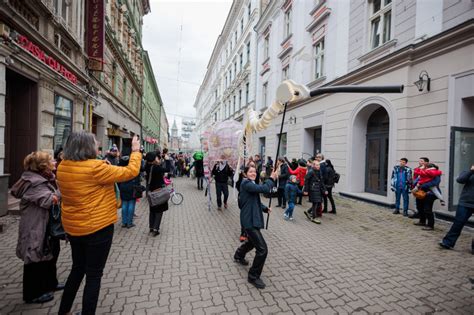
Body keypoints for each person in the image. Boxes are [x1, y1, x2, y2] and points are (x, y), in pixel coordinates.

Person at [56, 132, 141, 315]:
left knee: (77, 270)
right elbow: (130, 172)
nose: (98, 146)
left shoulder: (63, 166)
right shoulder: (96, 168)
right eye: (95, 143)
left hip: (74, 228)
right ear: (86, 146)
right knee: (94, 275)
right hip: (97, 228)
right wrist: (135, 151)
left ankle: (63, 311)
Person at [11, 152, 62, 304]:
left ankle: (50, 284)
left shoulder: (44, 178)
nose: (54, 161)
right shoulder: (35, 182)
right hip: (35, 226)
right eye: (51, 160)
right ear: (43, 166)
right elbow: (48, 200)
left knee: (50, 252)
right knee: (33, 257)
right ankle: (32, 294)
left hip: (44, 224)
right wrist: (63, 190)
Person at [234, 165, 277, 289]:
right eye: (250, 171)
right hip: (249, 221)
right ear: (245, 174)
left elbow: (254, 200)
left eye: (254, 171)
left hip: (253, 219)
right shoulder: (246, 183)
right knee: (262, 249)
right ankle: (253, 276)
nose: (253, 173)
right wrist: (272, 178)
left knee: (252, 243)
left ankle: (238, 255)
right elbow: (264, 189)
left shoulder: (250, 183)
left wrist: (264, 208)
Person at [439, 165, 474, 253]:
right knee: (458, 223)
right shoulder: (468, 172)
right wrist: (471, 171)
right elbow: (460, 180)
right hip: (465, 203)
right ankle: (448, 242)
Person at [145, 151, 171, 236]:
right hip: (159, 192)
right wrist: (167, 160)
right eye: (156, 157)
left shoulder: (147, 166)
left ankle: (151, 227)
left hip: (151, 192)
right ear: (153, 159)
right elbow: (168, 169)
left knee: (152, 210)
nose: (158, 158)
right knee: (159, 211)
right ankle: (156, 230)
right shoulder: (156, 167)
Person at [118, 156, 141, 228]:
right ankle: (129, 223)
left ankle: (124, 222)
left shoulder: (119, 169)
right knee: (131, 205)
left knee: (124, 205)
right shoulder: (132, 169)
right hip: (132, 187)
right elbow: (138, 178)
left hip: (123, 187)